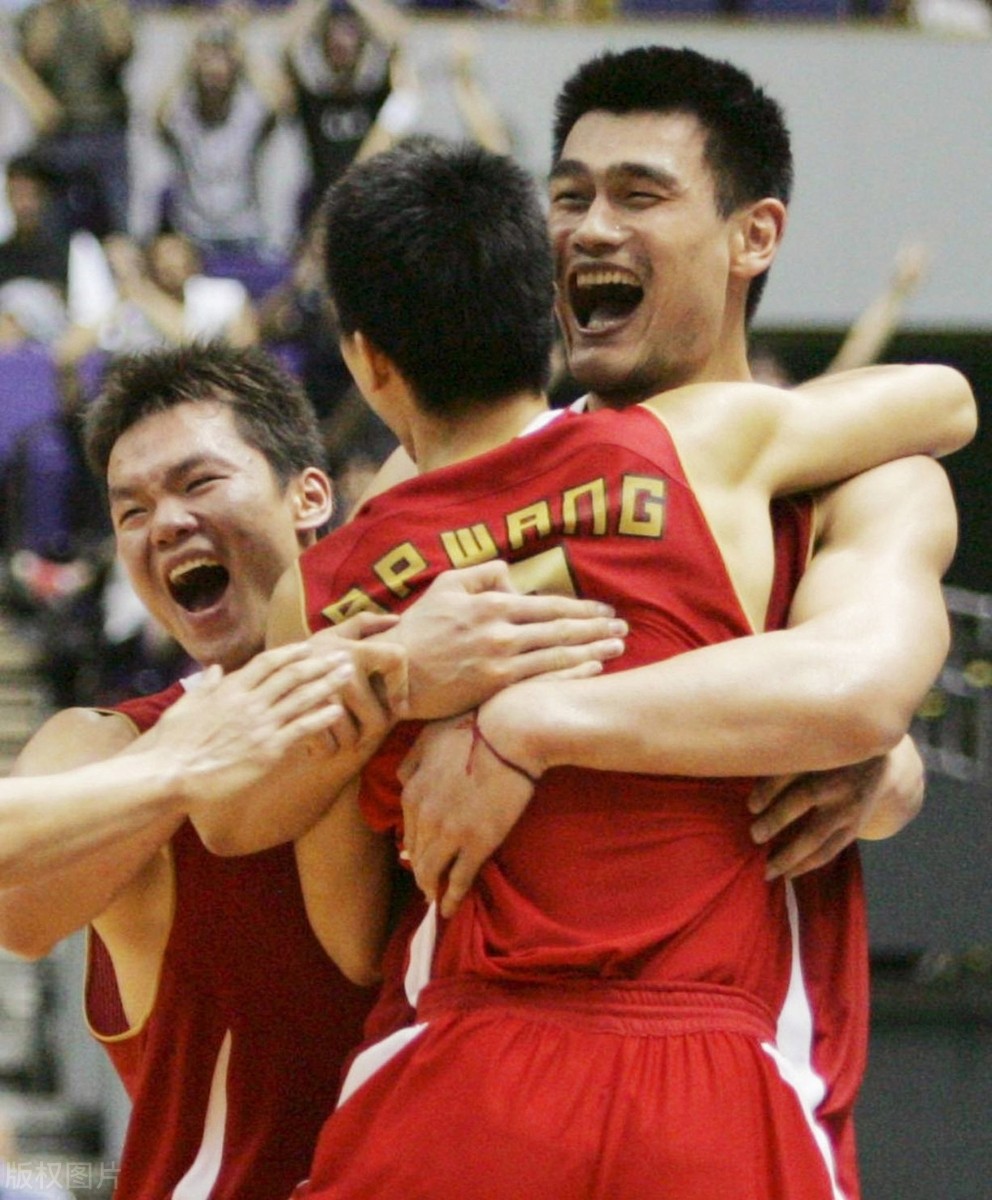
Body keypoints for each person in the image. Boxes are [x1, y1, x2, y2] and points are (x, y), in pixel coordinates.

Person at [231, 138, 970, 1198]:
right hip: (706, 1067)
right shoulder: (696, 442)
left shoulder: (324, 593)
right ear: (550, 306)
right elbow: (942, 401)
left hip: (463, 1071)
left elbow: (349, 933)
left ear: (366, 360)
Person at [0, 341, 625, 1198]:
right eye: (131, 511)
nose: (166, 523)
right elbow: (19, 912)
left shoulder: (453, 668)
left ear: (311, 496)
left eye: (198, 482)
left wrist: (841, 756)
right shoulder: (112, 744)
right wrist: (197, 756)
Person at [155, 17, 285, 256]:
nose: (215, 73)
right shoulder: (184, 113)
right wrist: (188, 60)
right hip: (194, 233)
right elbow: (157, 116)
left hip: (245, 232)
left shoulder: (248, 110)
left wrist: (244, 55)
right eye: (208, 63)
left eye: (223, 64)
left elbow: (280, 103)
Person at [16, 0, 132, 236]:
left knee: (117, 224)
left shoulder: (109, 9)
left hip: (106, 129)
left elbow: (120, 49)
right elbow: (35, 56)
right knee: (53, 225)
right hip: (60, 132)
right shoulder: (41, 14)